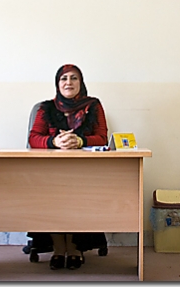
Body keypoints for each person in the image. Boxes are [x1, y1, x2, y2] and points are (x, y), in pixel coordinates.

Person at [28, 64, 109, 270]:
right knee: (51, 195)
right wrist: (55, 142)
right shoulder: (45, 108)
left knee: (78, 195)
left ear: (81, 83)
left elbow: (101, 137)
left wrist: (79, 141)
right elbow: (34, 138)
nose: (69, 83)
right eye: (64, 79)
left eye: (74, 78)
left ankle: (74, 248)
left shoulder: (94, 106)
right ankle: (58, 247)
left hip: (84, 170)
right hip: (51, 170)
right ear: (57, 84)